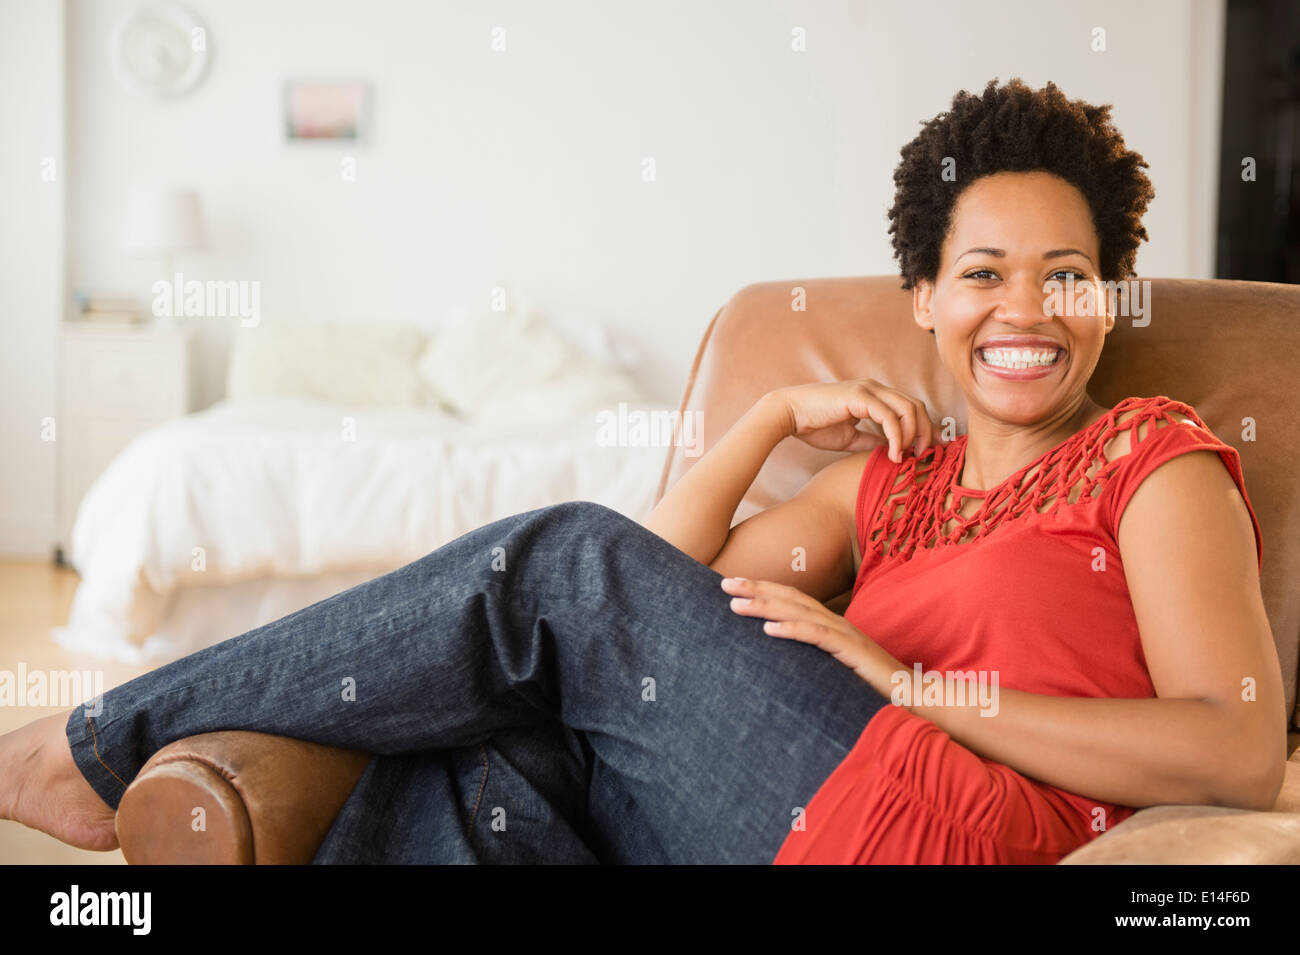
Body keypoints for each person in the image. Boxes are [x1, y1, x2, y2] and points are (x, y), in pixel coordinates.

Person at [0, 78, 1285, 864]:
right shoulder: (890, 483)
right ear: (924, 297)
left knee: (556, 559)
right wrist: (769, 416)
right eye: (983, 273)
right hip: (792, 799)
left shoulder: (1152, 464)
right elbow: (644, 611)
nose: (1027, 309)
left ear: (1109, 292)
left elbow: (1231, 749)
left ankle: (89, 746)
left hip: (944, 827)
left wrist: (915, 683)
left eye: (1066, 274)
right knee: (480, 770)